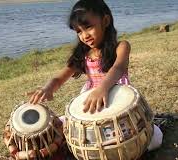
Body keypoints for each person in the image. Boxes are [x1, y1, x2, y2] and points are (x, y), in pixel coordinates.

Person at [29, 0, 162, 151]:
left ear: (105, 21)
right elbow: (59, 78)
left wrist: (103, 87)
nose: (84, 35)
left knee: (154, 139)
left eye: (88, 27)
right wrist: (48, 88)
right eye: (78, 31)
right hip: (93, 103)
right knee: (61, 125)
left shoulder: (121, 46)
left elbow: (118, 68)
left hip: (118, 103)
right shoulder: (82, 54)